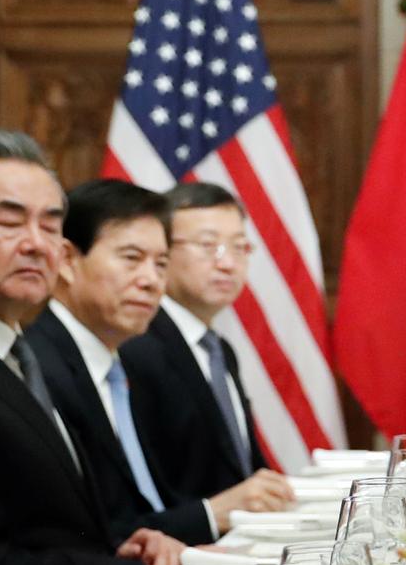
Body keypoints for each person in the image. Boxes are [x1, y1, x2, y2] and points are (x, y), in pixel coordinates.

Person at [0, 130, 182, 565]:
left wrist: (121, 547)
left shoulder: (21, 350)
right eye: (10, 222)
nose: (37, 244)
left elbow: (49, 522)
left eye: (51, 224)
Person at [27, 179, 265, 544]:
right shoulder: (38, 365)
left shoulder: (111, 361)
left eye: (161, 264)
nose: (152, 281)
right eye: (132, 259)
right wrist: (206, 518)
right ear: (68, 261)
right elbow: (80, 533)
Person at [122, 182, 293, 511]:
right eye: (208, 245)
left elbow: (243, 468)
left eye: (239, 247)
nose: (228, 263)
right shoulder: (136, 347)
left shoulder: (220, 350)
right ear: (163, 252)